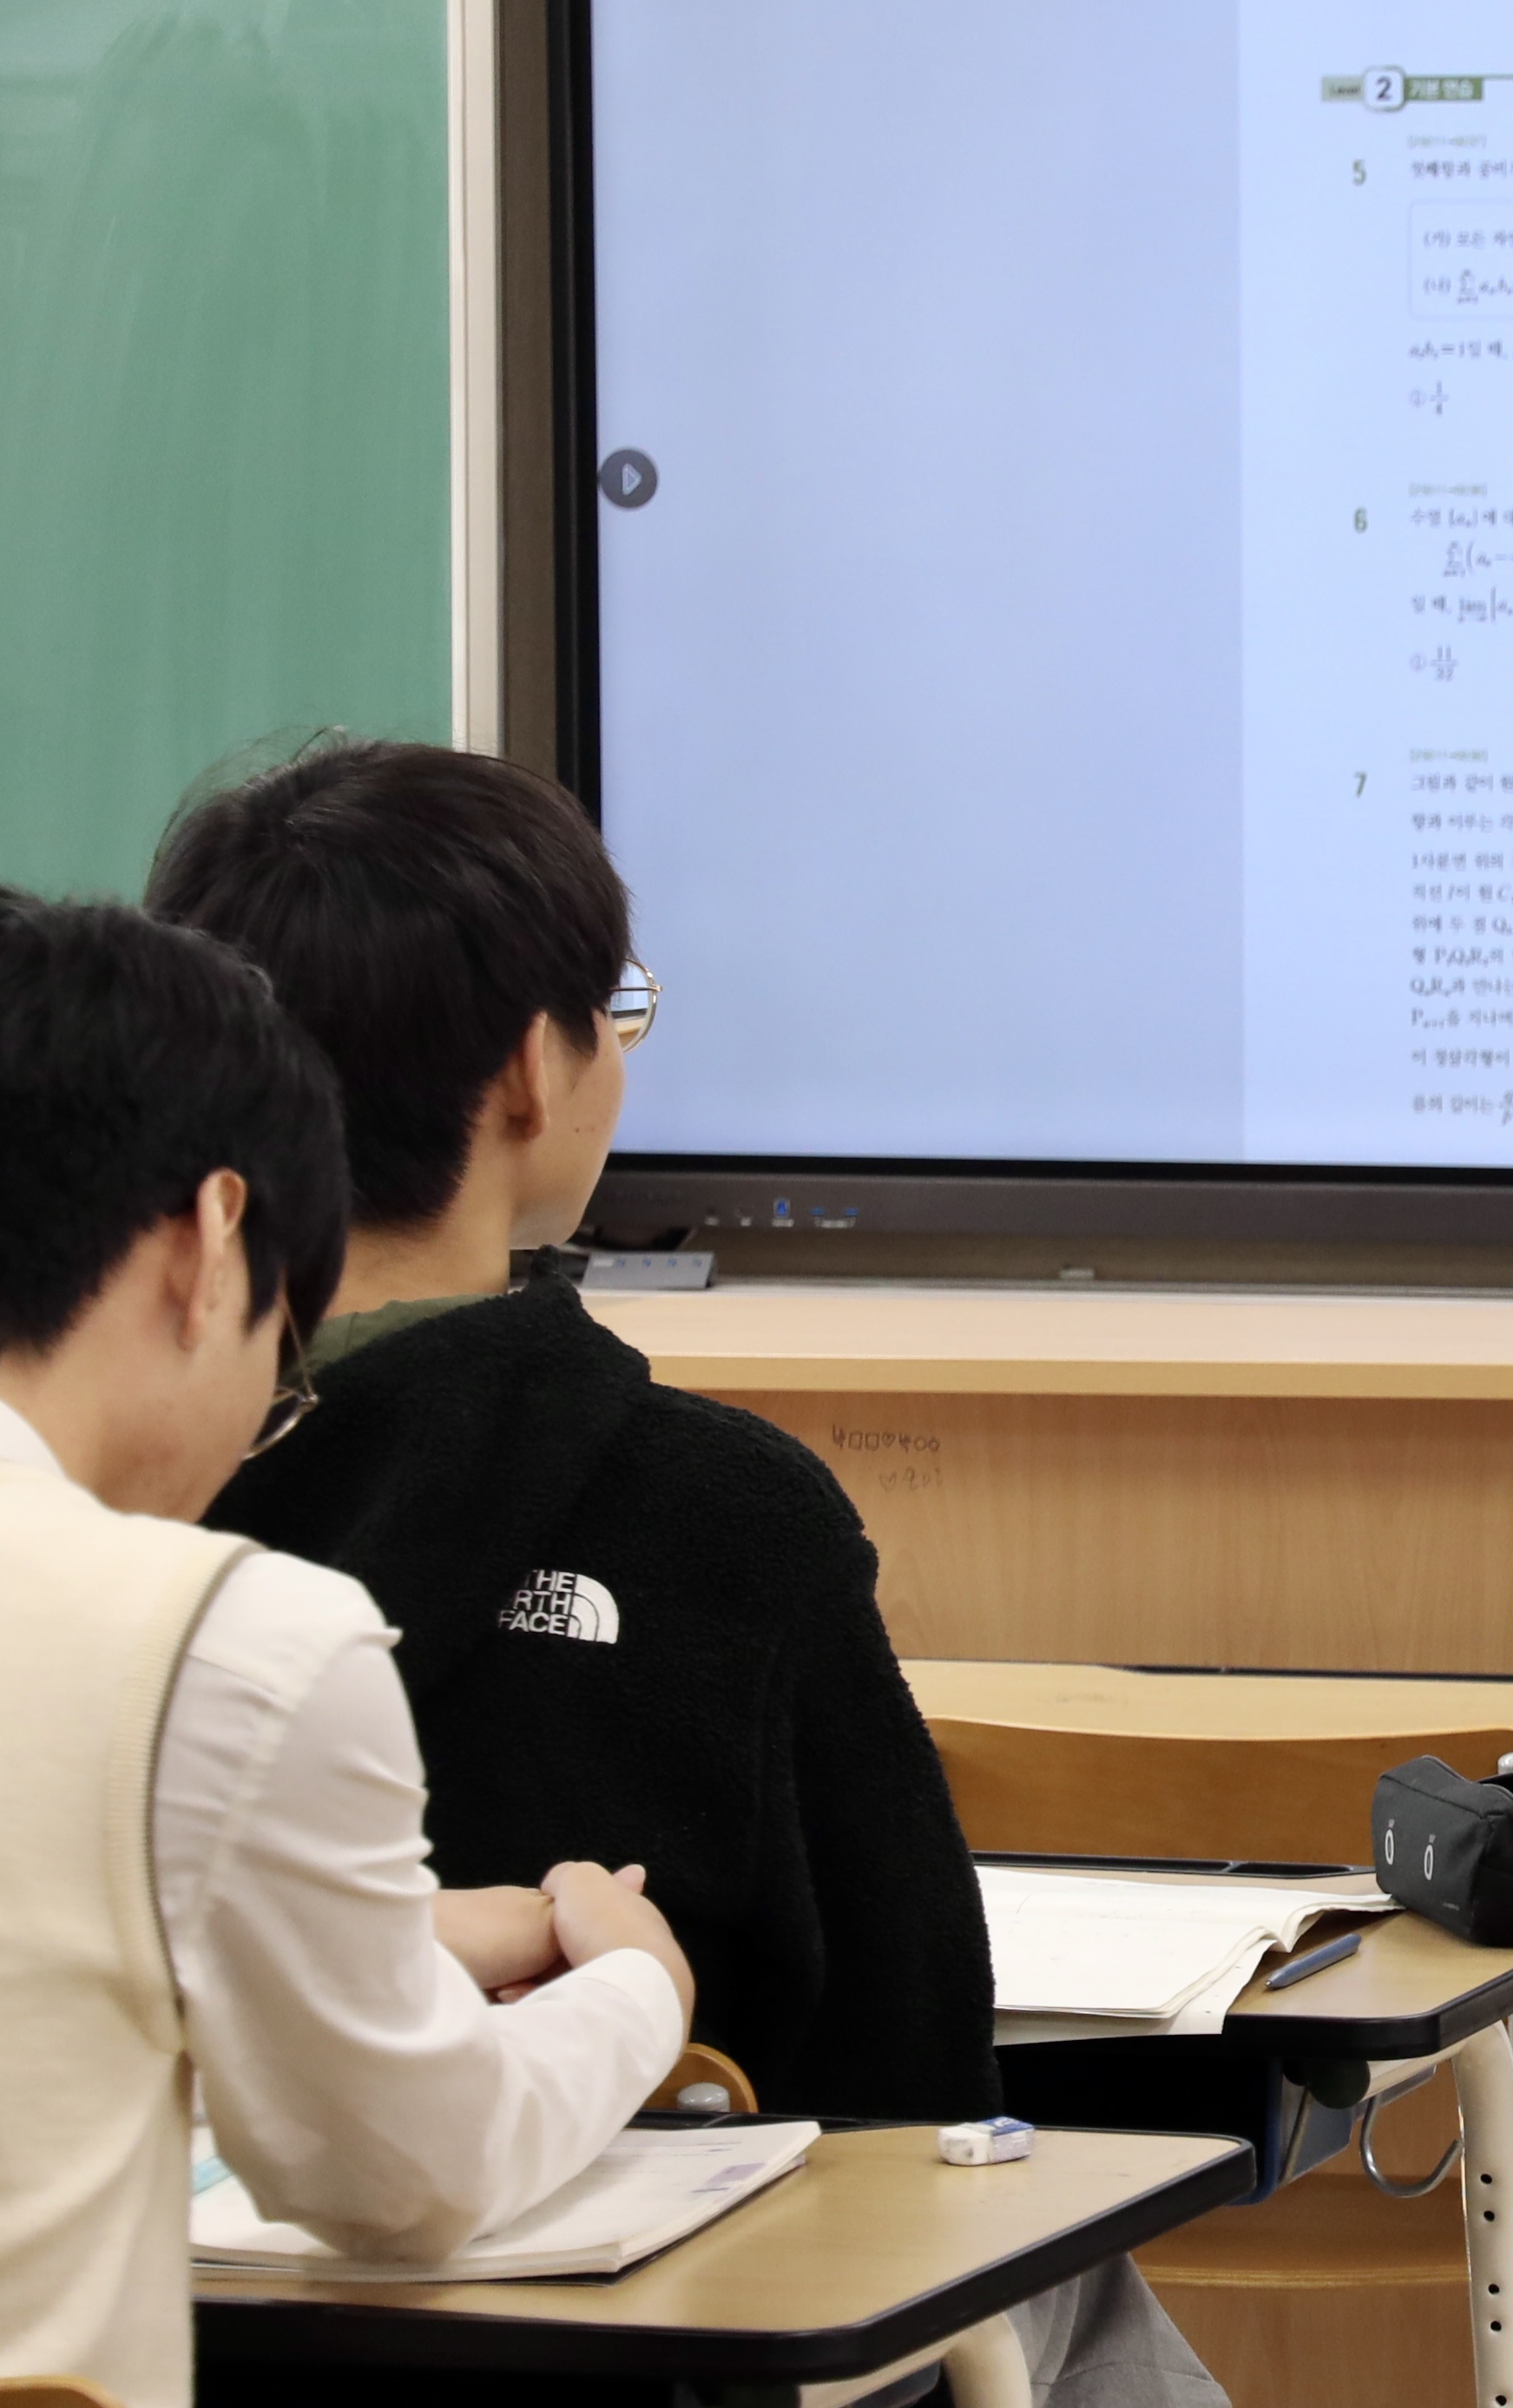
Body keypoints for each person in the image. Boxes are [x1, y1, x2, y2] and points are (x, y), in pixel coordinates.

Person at [150, 740, 1222, 2408]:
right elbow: (918, 2069)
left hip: (166, 2341)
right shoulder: (731, 1516)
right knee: (1062, 2275)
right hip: (681, 2352)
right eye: (614, 1008)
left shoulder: (107, 1499)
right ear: (531, 1073)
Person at [0, 888, 691, 2406]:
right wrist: (633, 1991)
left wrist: (389, 1945)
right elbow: (409, 2181)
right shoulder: (213, 1636)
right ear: (214, 1242)